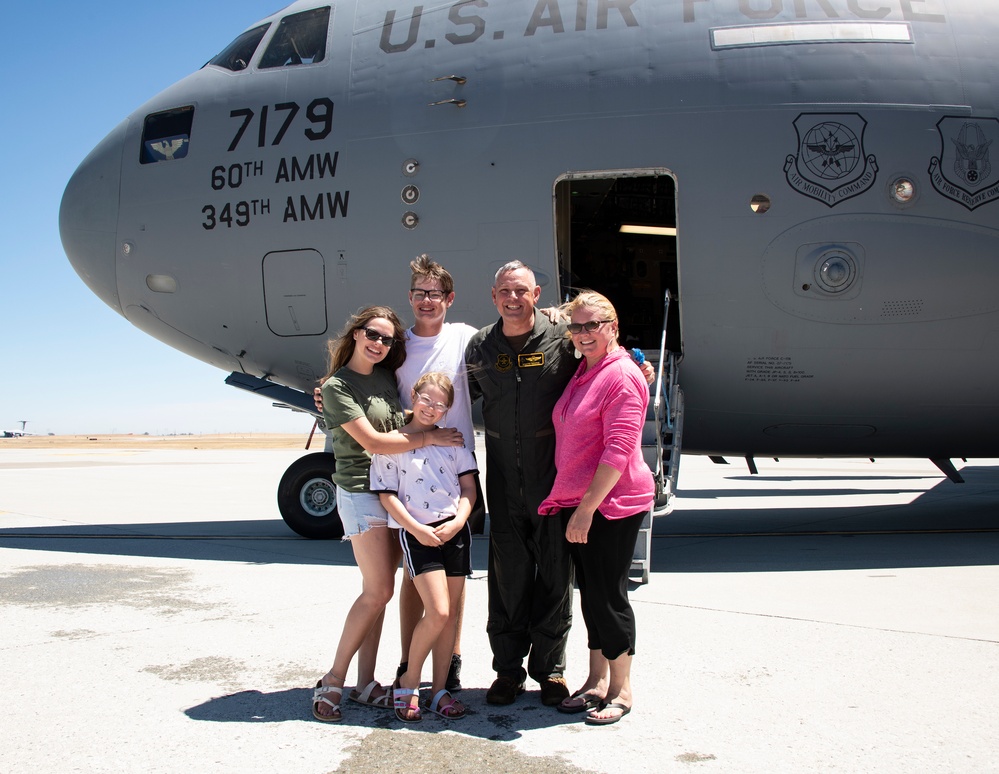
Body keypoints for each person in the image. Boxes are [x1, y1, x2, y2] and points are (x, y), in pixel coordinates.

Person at [314, 255, 481, 692]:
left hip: (449, 475)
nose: (427, 301)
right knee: (391, 587)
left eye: (436, 294)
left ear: (449, 299)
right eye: (420, 293)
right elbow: (367, 419)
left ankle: (422, 671)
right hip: (386, 481)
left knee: (428, 586)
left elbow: (397, 407)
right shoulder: (398, 348)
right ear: (410, 298)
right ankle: (395, 668)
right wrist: (329, 395)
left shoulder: (464, 338)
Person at [464, 261, 579, 707]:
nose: (513, 298)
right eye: (505, 291)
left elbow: (600, 363)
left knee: (555, 574)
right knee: (508, 577)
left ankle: (550, 671)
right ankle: (507, 671)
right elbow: (448, 396)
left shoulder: (560, 339)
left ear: (536, 294)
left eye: (522, 291)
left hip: (552, 476)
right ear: (494, 296)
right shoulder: (480, 346)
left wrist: (639, 366)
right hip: (504, 479)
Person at [539, 291, 654, 726]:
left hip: (612, 504)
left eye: (593, 325)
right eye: (577, 326)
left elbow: (619, 450)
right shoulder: (586, 371)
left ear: (613, 327)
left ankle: (622, 688)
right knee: (591, 597)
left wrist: (587, 509)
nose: (584, 334)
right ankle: (595, 681)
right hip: (580, 501)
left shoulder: (621, 376)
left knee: (609, 597)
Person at [370, 372, 477, 722]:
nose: (431, 408)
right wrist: (415, 529)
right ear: (413, 396)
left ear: (447, 410)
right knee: (439, 612)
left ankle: (439, 690)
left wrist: (460, 521)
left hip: (455, 532)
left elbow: (469, 490)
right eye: (426, 400)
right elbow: (386, 495)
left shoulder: (455, 443)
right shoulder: (392, 443)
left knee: (450, 619)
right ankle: (410, 682)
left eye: (440, 404)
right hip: (418, 534)